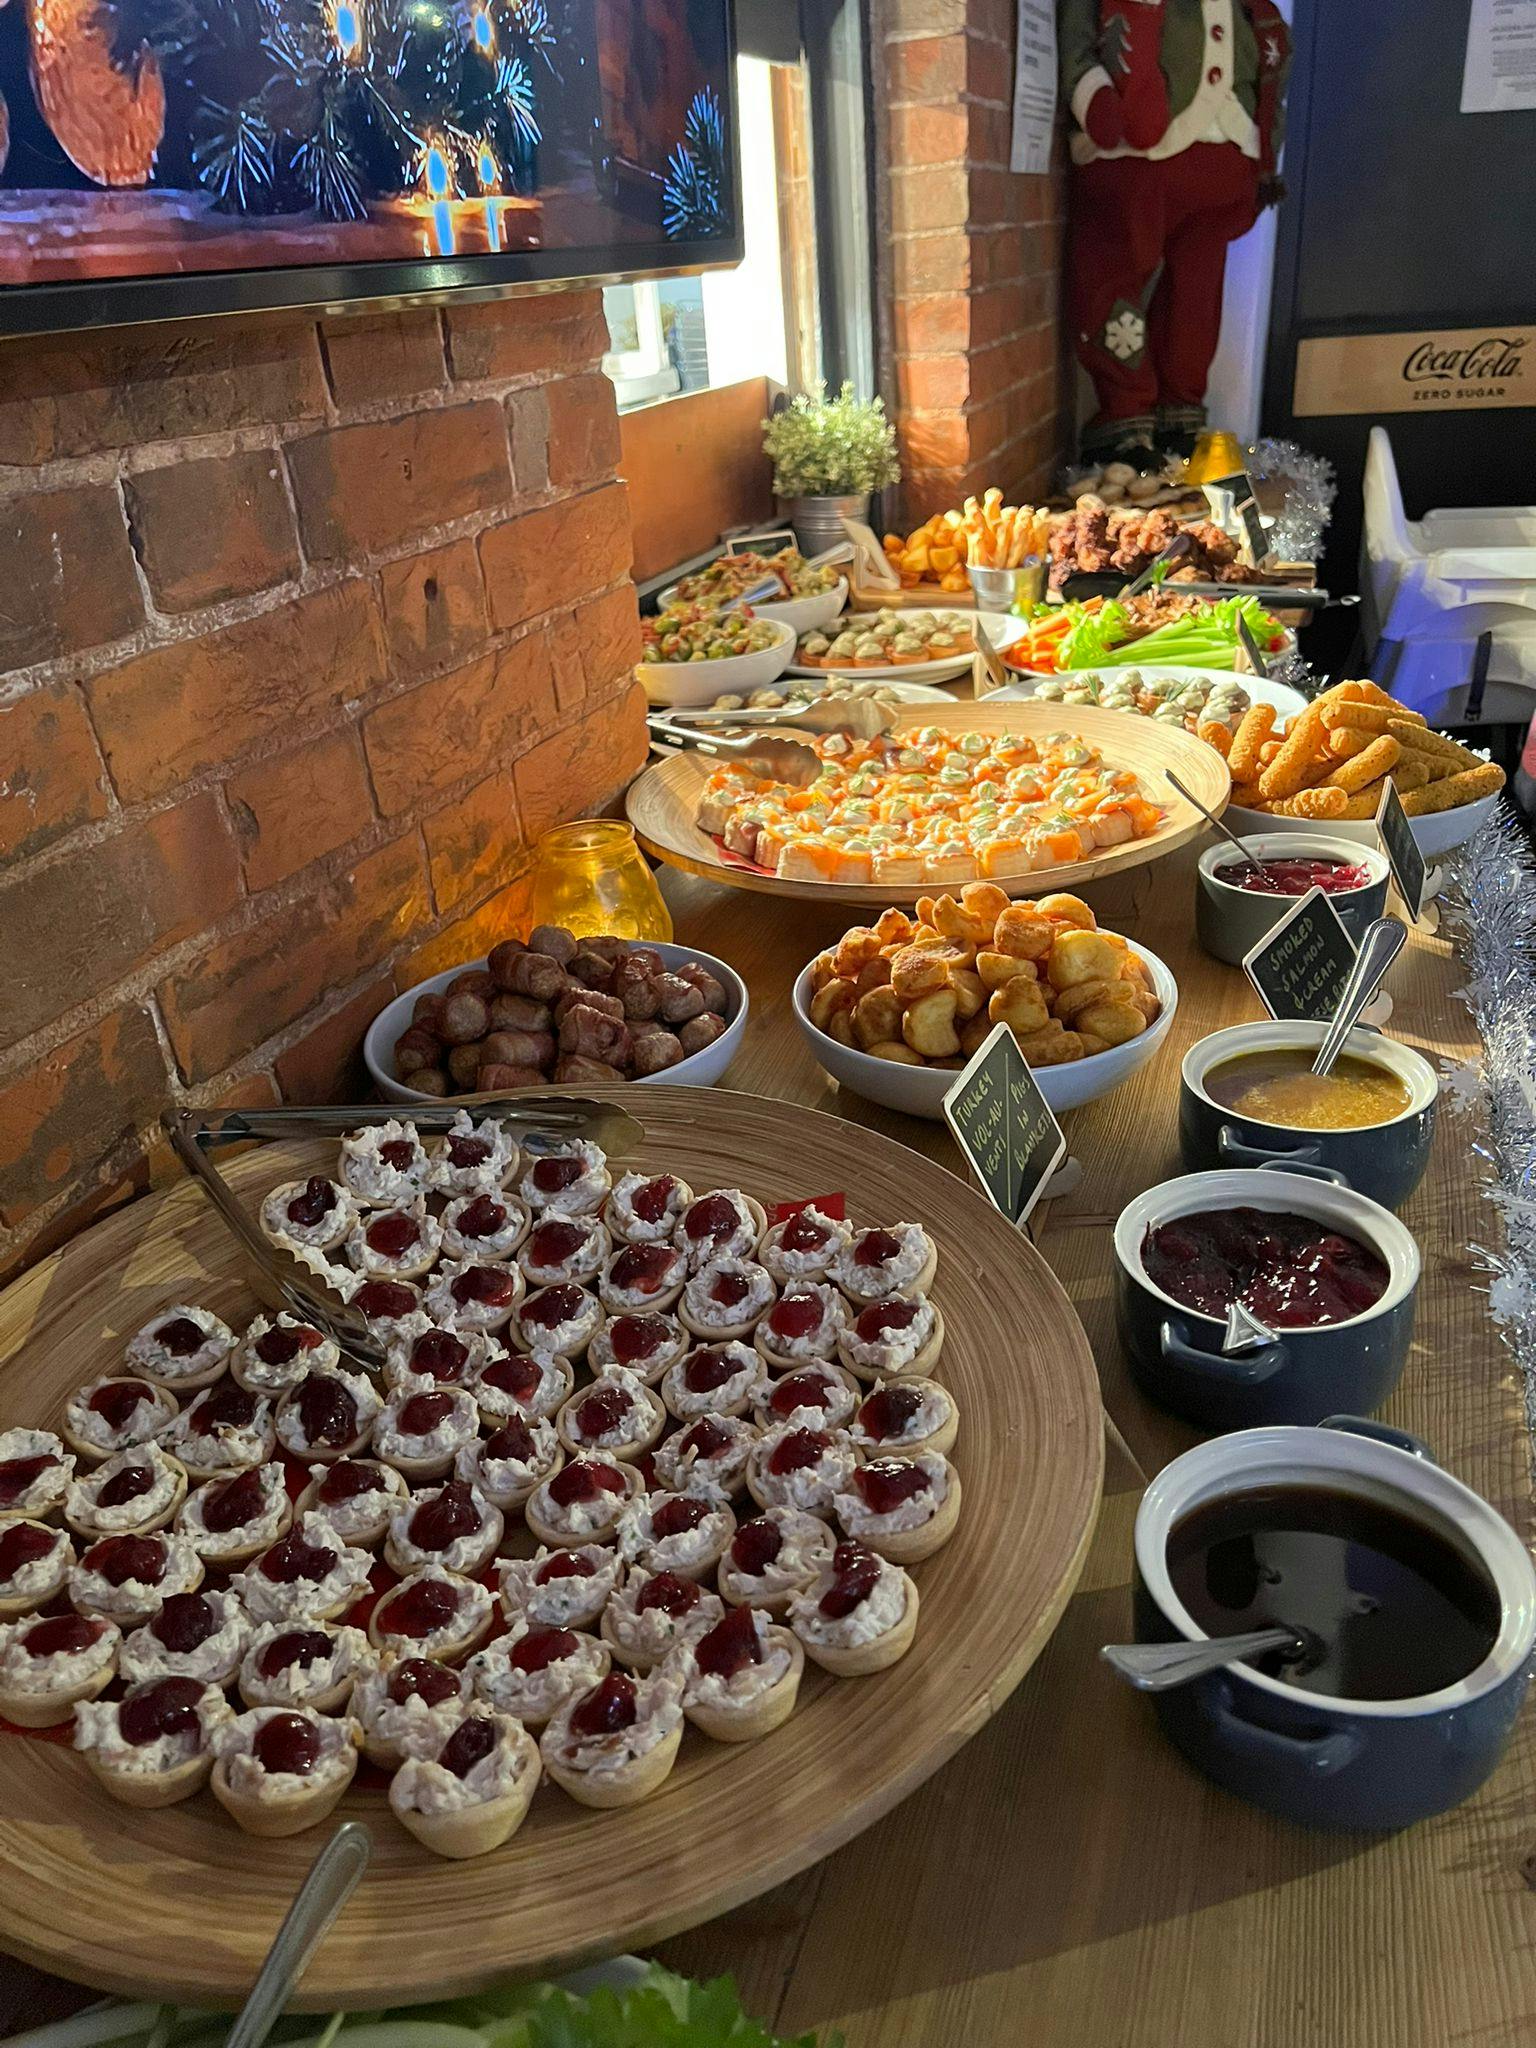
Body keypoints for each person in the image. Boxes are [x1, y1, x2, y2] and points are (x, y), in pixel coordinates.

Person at [1059, 0, 1292, 465]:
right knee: (1114, 281)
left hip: (1227, 160)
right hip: (1134, 154)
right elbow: (1078, 38)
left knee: (1195, 300)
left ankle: (1179, 412)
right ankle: (1124, 415)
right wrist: (1093, 96)